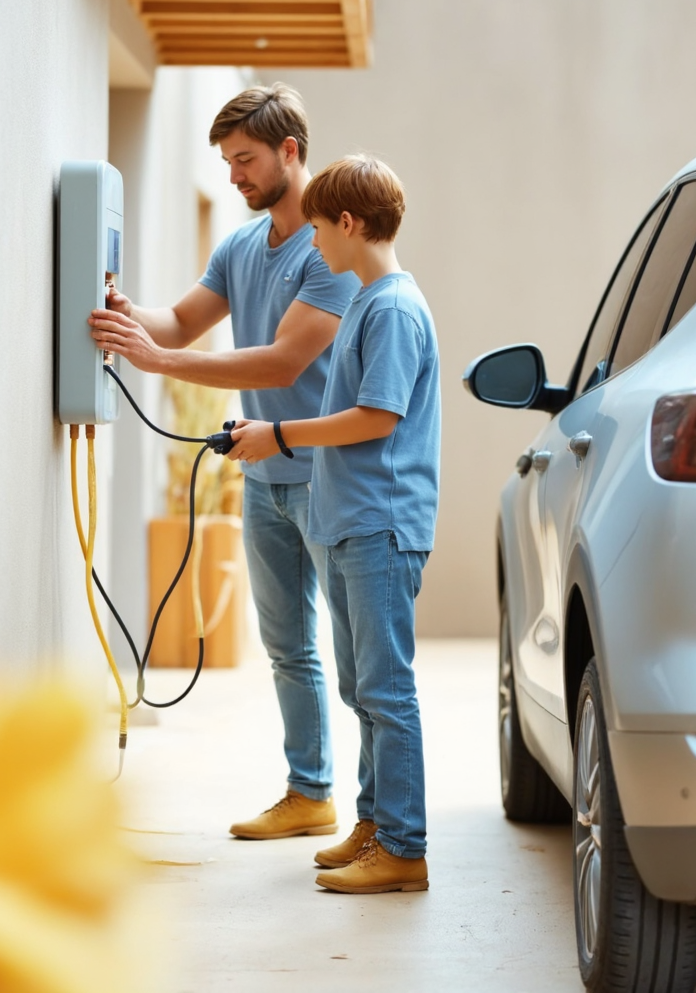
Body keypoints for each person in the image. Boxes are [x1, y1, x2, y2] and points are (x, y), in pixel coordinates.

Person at [89, 84, 359, 841]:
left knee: (357, 658)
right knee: (286, 648)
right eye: (227, 162)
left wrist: (161, 361)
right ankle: (310, 795)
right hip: (262, 478)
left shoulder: (332, 246)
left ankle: (382, 821)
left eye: (245, 161)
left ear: (290, 153)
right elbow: (177, 320)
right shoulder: (241, 245)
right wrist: (116, 303)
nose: (234, 176)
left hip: (324, 477)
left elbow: (279, 364)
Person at [227, 155, 440, 894]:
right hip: (351, 521)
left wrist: (280, 437)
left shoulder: (391, 308)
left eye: (317, 229)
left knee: (386, 691)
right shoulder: (369, 303)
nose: (312, 245)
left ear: (348, 224)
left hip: (381, 524)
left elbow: (378, 417)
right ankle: (375, 823)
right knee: (362, 688)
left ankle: (404, 847)